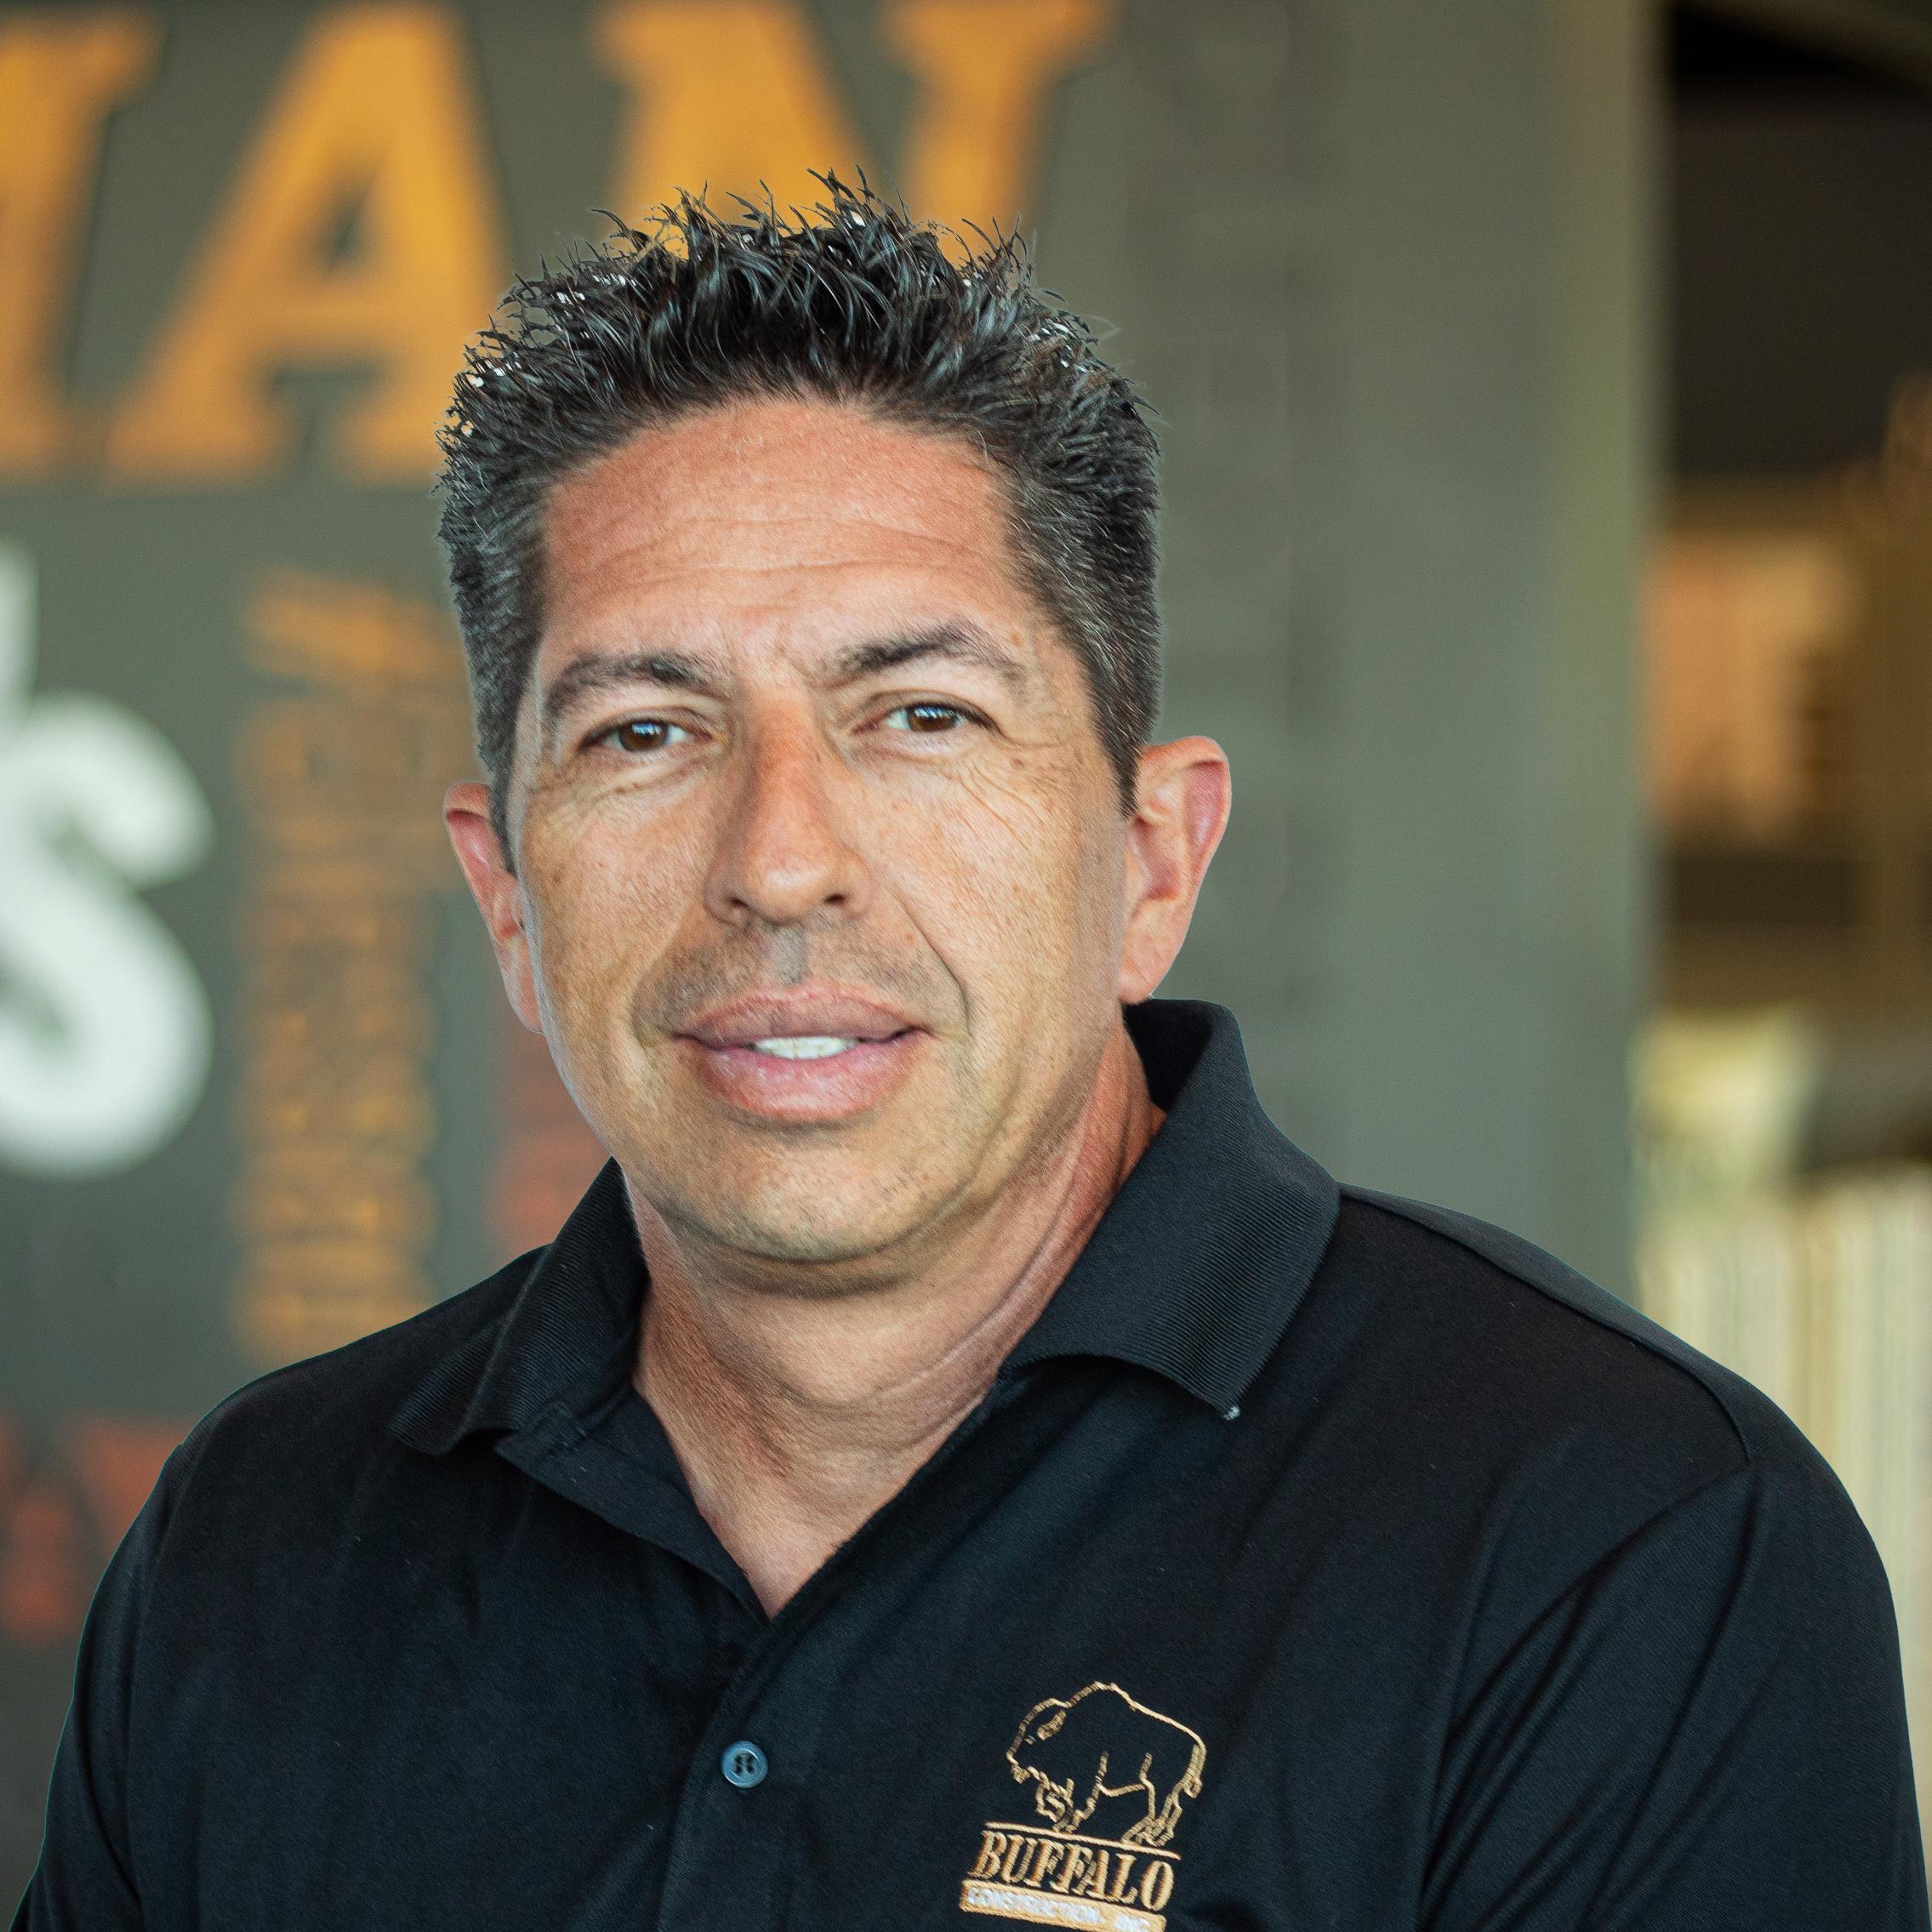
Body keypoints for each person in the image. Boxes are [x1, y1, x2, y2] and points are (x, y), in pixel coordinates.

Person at [14, 180, 1929, 1932]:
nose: (776, 859)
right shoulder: (260, 1543)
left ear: (1151, 859)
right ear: (506, 893)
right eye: (642, 732)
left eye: (917, 712)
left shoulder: (1612, 1543)